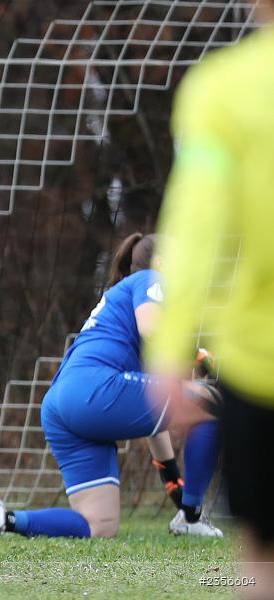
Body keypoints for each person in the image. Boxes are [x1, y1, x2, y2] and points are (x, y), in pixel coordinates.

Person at [0, 234, 222, 540]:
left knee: (99, 526)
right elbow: (152, 329)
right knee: (216, 404)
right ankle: (192, 517)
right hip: (94, 388)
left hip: (62, 404)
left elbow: (149, 409)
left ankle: (5, 518)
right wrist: (195, 356)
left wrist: (169, 475)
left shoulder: (121, 301)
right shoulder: (150, 278)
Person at [146, 7, 274, 596]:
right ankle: (189, 508)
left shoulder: (223, 87)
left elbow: (193, 233)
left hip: (260, 358)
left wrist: (170, 354)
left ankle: (189, 507)